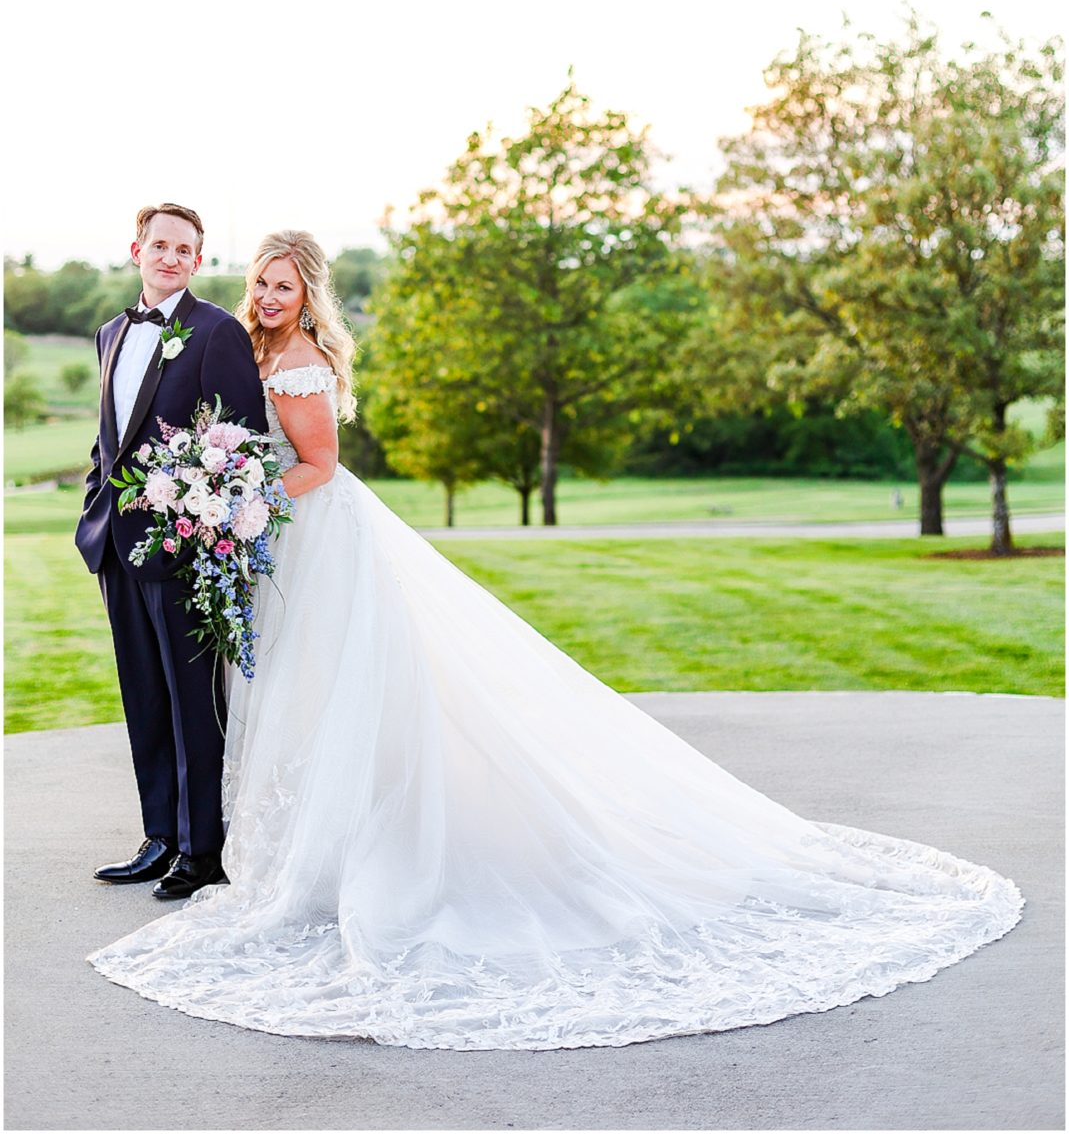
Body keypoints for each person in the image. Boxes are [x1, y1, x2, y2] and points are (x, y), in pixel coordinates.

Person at [88, 230, 1023, 1050]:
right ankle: (264, 844)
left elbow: (321, 466)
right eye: (261, 282)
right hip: (272, 546)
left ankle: (346, 853)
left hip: (313, 537)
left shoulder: (297, 363)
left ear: (310, 296)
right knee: (291, 694)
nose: (267, 296)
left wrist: (241, 507)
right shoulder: (242, 344)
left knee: (339, 692)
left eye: (284, 286)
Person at [76, 203, 267, 902]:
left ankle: (201, 850)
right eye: (160, 245)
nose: (171, 257)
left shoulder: (216, 332)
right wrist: (94, 504)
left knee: (193, 701)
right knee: (143, 698)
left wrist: (202, 522)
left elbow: (241, 444)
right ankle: (158, 838)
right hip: (114, 544)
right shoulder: (110, 333)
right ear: (137, 250)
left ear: (196, 259)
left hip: (184, 547)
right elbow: (109, 438)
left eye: (185, 249)